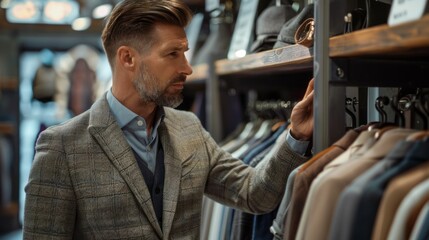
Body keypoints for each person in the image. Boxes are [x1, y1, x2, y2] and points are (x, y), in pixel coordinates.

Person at [23, 0, 315, 239]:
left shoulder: (188, 129)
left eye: (184, 53)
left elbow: (255, 195)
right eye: (173, 54)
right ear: (127, 59)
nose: (187, 68)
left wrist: (296, 136)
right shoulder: (62, 146)